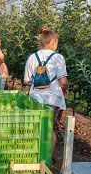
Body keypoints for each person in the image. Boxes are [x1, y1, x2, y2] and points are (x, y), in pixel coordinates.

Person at [24, 26, 68, 162]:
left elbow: (26, 80)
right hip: (52, 99)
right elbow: (63, 81)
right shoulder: (58, 58)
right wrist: (65, 91)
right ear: (53, 41)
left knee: (35, 128)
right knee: (51, 130)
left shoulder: (32, 57)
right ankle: (47, 159)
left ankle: (34, 156)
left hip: (35, 99)